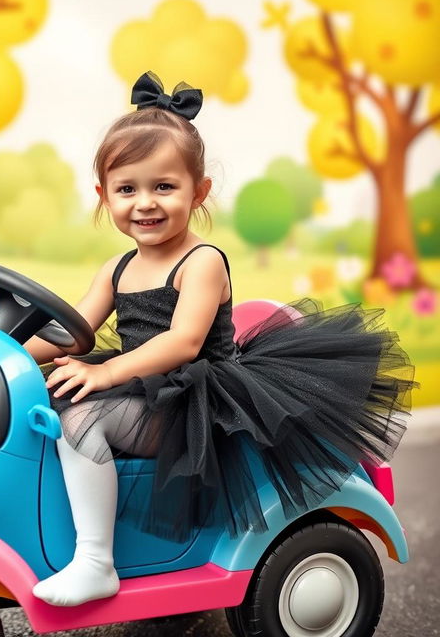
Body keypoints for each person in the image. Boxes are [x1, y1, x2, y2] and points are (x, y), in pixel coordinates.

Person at [23, 71, 415, 607]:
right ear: (103, 195)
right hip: (144, 386)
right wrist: (9, 354)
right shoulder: (115, 267)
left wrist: (105, 372)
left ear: (199, 190)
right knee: (41, 396)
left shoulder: (201, 262)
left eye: (164, 186)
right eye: (127, 189)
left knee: (80, 418)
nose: (145, 203)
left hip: (196, 401)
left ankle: (96, 560)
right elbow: (72, 333)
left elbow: (183, 343)